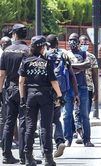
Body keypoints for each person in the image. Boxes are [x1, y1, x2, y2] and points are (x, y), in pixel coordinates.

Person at [18, 35, 65, 166]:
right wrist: (60, 96)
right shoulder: (46, 62)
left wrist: (23, 98)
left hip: (31, 96)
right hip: (45, 96)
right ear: (42, 47)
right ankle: (48, 159)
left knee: (30, 127)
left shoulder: (26, 61)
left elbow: (21, 81)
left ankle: (28, 157)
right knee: (46, 127)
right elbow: (53, 81)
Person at [0, 24, 41, 165]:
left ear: (14, 35)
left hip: (10, 89)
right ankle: (25, 155)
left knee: (9, 122)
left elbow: (1, 75)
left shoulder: (6, 51)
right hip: (25, 90)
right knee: (25, 122)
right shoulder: (28, 51)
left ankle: (6, 155)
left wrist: (0, 91)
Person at [45, 34, 79, 157]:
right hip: (61, 92)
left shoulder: (44, 55)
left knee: (45, 120)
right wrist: (76, 93)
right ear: (57, 43)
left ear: (47, 44)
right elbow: (71, 75)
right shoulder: (64, 55)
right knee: (56, 117)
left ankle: (46, 149)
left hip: (47, 91)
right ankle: (59, 140)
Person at [63, 33, 94, 147]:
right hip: (69, 87)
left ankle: (87, 139)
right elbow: (65, 68)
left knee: (84, 115)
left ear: (78, 41)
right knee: (67, 114)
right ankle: (68, 139)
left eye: (74, 40)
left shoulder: (84, 53)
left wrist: (72, 66)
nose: (72, 42)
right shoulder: (65, 54)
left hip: (83, 87)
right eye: (70, 40)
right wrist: (78, 66)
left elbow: (87, 64)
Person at [79, 35, 99, 117]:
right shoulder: (73, 55)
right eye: (83, 43)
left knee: (86, 113)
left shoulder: (91, 57)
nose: (84, 45)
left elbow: (95, 75)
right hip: (76, 87)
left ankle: (84, 129)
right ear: (79, 43)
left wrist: (96, 90)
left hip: (88, 88)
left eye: (86, 44)